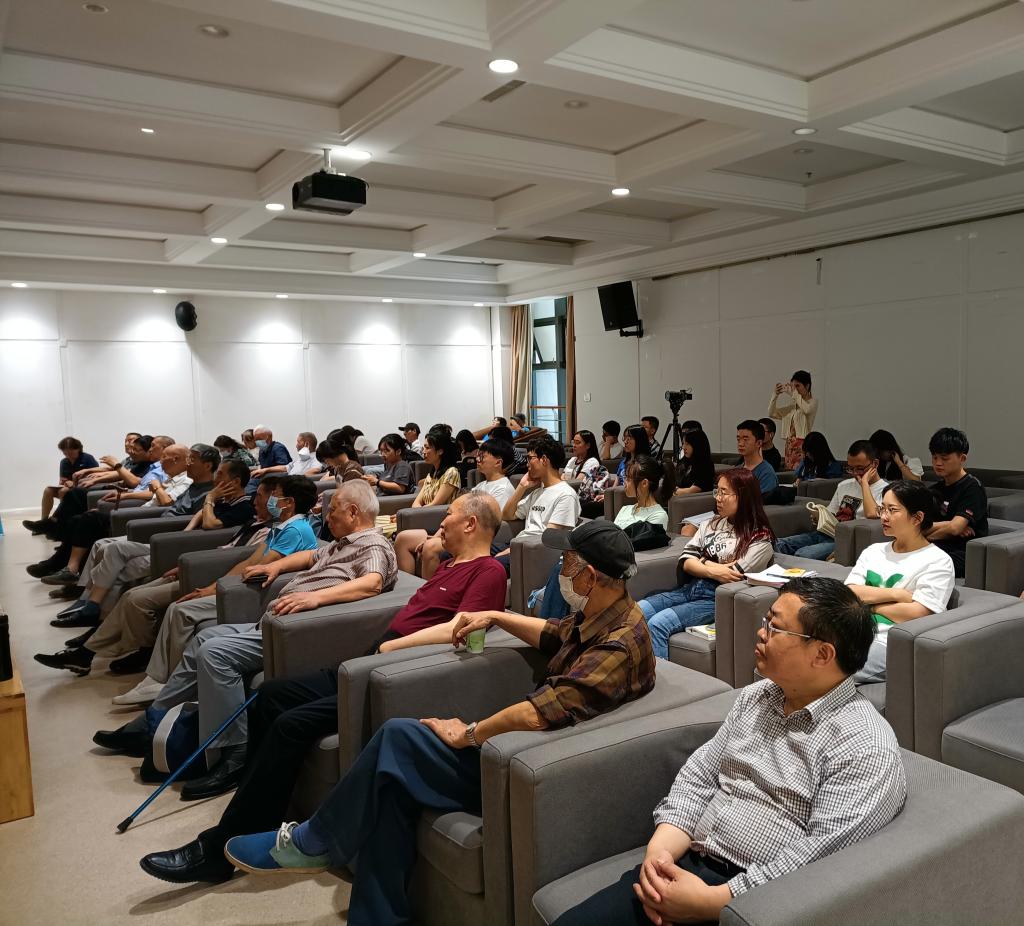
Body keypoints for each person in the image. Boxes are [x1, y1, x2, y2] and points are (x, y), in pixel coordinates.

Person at [212, 521, 655, 926]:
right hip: (525, 746)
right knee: (392, 783)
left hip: (533, 765)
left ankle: (315, 841)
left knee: (399, 738)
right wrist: (497, 616)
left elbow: (539, 712)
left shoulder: (618, 644)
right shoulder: (603, 614)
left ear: (589, 576)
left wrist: (469, 733)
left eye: (568, 563)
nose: (560, 570)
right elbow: (554, 633)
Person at [137, 493, 513, 885]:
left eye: (449, 515)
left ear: (471, 524)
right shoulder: (449, 565)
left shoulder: (487, 571)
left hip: (395, 669)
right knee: (271, 694)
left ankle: (217, 849)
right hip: (371, 657)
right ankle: (259, 809)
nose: (441, 523)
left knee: (291, 724)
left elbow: (463, 628)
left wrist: (393, 647)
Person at [551, 577, 906, 926]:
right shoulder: (757, 697)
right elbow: (699, 776)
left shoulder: (863, 743)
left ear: (822, 654)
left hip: (757, 902)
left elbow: (820, 857)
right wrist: (660, 854)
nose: (761, 633)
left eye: (775, 627)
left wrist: (713, 903)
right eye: (766, 621)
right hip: (687, 862)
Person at [94, 481, 396, 798]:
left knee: (215, 653)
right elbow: (310, 557)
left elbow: (371, 583)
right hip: (272, 621)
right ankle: (154, 719)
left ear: (353, 512)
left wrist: (315, 598)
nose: (326, 515)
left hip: (297, 630)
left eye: (332, 510)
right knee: (203, 638)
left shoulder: (373, 545)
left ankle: (234, 753)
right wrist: (276, 565)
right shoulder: (342, 543)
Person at [33, 459, 255, 676]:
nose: (216, 478)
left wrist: (209, 499)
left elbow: (210, 524)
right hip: (187, 555)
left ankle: (98, 639)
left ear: (235, 482)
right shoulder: (224, 502)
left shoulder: (242, 506)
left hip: (200, 565)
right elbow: (198, 520)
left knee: (124, 582)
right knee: (114, 558)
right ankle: (91, 632)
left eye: (221, 474)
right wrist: (182, 536)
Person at [111, 476, 318, 706]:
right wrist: (213, 587)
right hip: (241, 587)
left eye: (275, 495)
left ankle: (167, 682)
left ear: (288, 502)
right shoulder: (281, 526)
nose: (270, 499)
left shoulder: (296, 530)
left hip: (254, 593)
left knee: (181, 611)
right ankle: (157, 678)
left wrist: (217, 591)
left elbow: (260, 567)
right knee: (176, 607)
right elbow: (250, 561)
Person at [638, 468, 774, 658]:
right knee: (637, 610)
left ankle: (658, 676)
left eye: (724, 492)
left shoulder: (759, 537)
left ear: (743, 496)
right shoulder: (710, 524)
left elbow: (732, 574)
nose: (718, 498)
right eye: (717, 491)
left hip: (716, 599)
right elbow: (686, 561)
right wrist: (711, 567)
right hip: (691, 588)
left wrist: (701, 561)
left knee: (658, 623)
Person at [33, 442, 205, 588]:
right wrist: (126, 494)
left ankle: (68, 568)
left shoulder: (184, 479)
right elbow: (151, 493)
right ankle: (67, 569)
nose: (158, 457)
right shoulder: (167, 475)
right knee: (79, 519)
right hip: (140, 511)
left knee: (86, 519)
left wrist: (152, 488)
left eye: (161, 453)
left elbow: (165, 500)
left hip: (144, 518)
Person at [845, 481, 955, 685]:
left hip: (890, 642)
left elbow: (919, 612)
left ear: (917, 518)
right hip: (850, 630)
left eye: (892, 510)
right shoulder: (873, 551)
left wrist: (869, 605)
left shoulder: (938, 561)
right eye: (882, 509)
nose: (883, 516)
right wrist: (897, 595)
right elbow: (850, 592)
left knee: (829, 671)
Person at [775, 440, 887, 561]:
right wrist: (819, 517)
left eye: (860, 469)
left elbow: (871, 514)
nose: (855, 474)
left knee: (803, 554)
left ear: (875, 464)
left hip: (845, 541)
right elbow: (832, 513)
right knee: (778, 544)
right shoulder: (844, 485)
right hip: (826, 533)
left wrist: (864, 484)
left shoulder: (886, 491)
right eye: (850, 468)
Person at [393, 429, 462, 575]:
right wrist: (413, 513)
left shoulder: (452, 472)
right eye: (424, 447)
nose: (423, 451)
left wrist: (414, 513)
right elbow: (417, 502)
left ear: (440, 451)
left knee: (402, 537)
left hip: (441, 523)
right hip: (426, 520)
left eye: (427, 447)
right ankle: (410, 584)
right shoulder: (432, 473)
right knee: (401, 539)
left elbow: (436, 504)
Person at [925, 427, 988, 577]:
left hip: (964, 552)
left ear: (962, 458)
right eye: (934, 457)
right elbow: (917, 526)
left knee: (920, 562)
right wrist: (949, 525)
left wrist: (926, 535)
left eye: (944, 458)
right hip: (937, 547)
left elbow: (954, 528)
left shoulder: (972, 487)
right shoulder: (935, 489)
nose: (938, 463)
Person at [23, 437, 100, 532]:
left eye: (70, 452)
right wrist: (64, 482)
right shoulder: (64, 462)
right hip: (68, 487)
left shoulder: (88, 458)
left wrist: (75, 483)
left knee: (64, 491)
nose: (68, 455)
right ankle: (44, 520)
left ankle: (62, 523)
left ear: (78, 449)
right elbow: (62, 479)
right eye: (65, 453)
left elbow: (96, 477)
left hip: (83, 488)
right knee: (48, 490)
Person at [768, 370, 817, 470]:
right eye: (793, 386)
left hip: (802, 444)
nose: (795, 389)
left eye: (797, 386)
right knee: (789, 470)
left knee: (799, 471)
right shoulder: (792, 406)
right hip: (789, 444)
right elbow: (771, 413)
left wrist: (793, 394)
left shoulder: (812, 402)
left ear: (807, 386)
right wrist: (775, 395)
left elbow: (806, 410)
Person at [735, 419, 779, 497]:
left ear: (759, 443)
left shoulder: (766, 473)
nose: (740, 444)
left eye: (745, 440)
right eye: (738, 439)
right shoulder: (738, 469)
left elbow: (762, 501)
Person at [244, 426, 292, 494]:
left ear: (268, 437)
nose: (256, 442)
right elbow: (262, 467)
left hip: (279, 478)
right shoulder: (262, 451)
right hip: (267, 477)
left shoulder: (278, 448)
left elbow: (284, 468)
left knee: (253, 484)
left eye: (259, 439)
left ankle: (253, 497)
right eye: (255, 439)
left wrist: (265, 470)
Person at [674, 428, 716, 496]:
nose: (684, 447)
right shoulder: (684, 461)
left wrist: (674, 491)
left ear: (697, 445)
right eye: (683, 443)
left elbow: (692, 490)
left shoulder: (706, 465)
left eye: (687, 444)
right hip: (678, 499)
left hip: (696, 500)